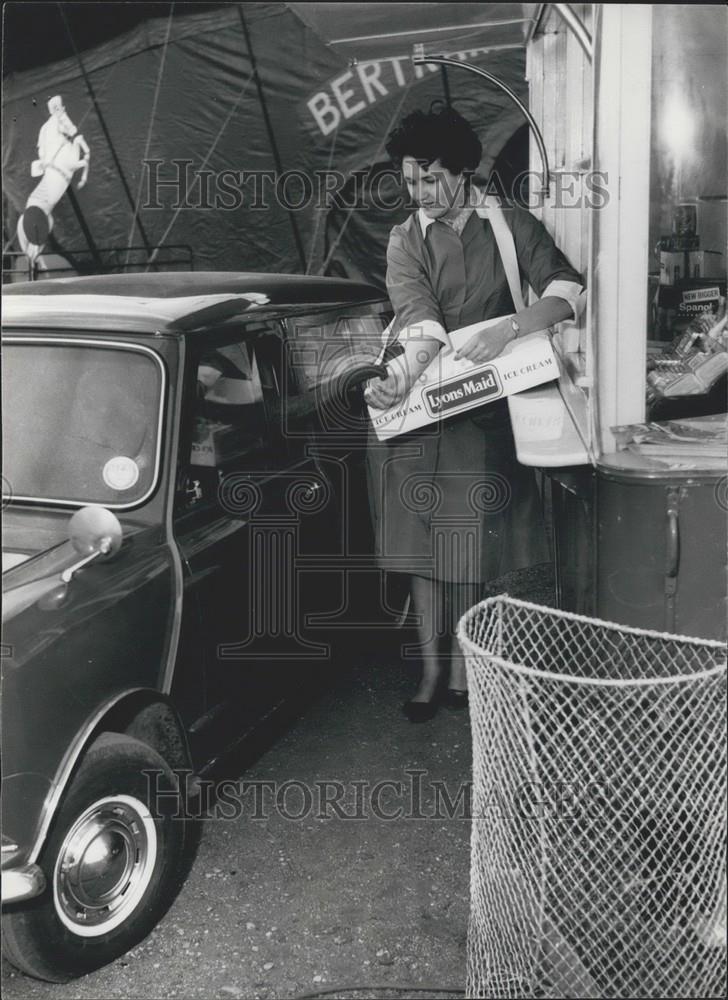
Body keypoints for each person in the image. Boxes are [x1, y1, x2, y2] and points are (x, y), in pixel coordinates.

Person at [364, 106, 584, 722]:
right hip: (420, 412)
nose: (420, 193)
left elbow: (566, 293)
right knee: (420, 548)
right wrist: (396, 381)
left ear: (463, 171)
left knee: (470, 552)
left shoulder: (510, 225)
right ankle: (429, 675)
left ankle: (465, 672)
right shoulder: (405, 238)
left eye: (431, 178)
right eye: (410, 181)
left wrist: (509, 329)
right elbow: (418, 318)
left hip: (485, 413)